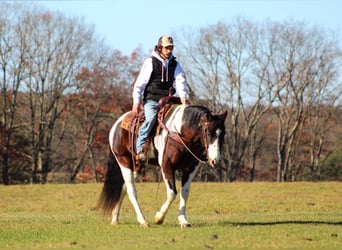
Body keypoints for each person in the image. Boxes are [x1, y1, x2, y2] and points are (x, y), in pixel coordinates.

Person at [132, 35, 189, 163]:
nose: (169, 51)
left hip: (169, 100)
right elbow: (140, 84)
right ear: (160, 48)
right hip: (152, 99)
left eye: (171, 48)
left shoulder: (175, 64)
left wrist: (183, 97)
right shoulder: (150, 62)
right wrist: (136, 102)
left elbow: (181, 81)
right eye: (167, 48)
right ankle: (140, 147)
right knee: (151, 118)